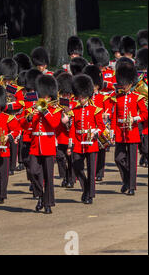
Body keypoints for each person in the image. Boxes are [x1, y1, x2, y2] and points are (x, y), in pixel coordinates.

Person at [20, 75, 61, 214]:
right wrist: (29, 117)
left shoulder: (55, 110)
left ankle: (48, 203)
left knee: (48, 177)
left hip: (48, 145)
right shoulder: (33, 109)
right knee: (32, 171)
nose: (42, 99)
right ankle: (42, 196)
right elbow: (24, 125)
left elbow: (55, 124)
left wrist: (45, 111)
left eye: (45, 97)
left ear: (50, 97)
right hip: (35, 146)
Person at [111, 57, 148, 196]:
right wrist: (113, 131)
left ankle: (132, 186)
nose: (123, 86)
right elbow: (115, 116)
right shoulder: (118, 97)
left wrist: (135, 118)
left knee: (132, 161)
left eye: (126, 84)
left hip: (132, 131)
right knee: (118, 158)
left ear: (130, 82)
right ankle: (127, 180)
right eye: (122, 83)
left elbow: (145, 114)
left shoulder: (137, 97)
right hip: (121, 132)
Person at [67, 74, 106, 205]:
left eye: (83, 97)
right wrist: (70, 144)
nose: (81, 99)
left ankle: (90, 194)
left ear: (88, 96)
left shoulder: (95, 110)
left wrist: (96, 132)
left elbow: (101, 126)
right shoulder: (75, 110)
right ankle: (86, 189)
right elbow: (72, 128)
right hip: (78, 142)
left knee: (91, 170)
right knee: (76, 167)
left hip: (91, 143)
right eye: (79, 97)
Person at [54, 72, 76, 188]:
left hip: (70, 136)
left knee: (70, 159)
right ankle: (65, 176)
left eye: (67, 94)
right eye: (64, 93)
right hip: (59, 136)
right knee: (60, 157)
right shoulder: (57, 104)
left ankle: (71, 179)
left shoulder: (74, 103)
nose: (66, 96)